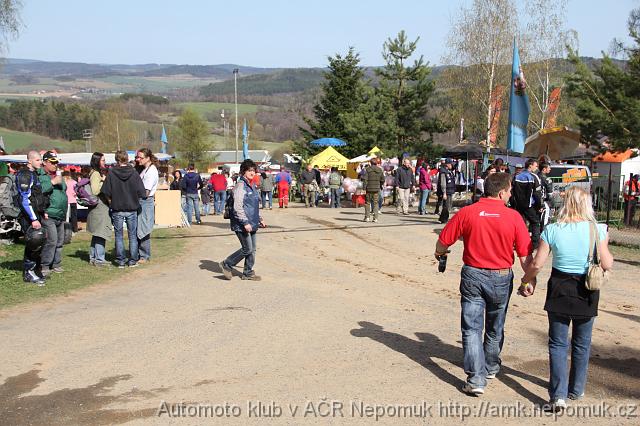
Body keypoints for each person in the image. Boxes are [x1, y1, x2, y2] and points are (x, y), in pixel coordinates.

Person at [435, 172, 533, 396]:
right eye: (509, 191)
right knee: (495, 325)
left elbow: (443, 241)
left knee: (471, 328)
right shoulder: (514, 217)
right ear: (501, 192)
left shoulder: (467, 212)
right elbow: (525, 255)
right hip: (500, 276)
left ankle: (476, 378)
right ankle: (489, 366)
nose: (510, 195)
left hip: (473, 275)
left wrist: (439, 253)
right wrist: (529, 279)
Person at [520, 187, 614, 410]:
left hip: (560, 287)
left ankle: (558, 394)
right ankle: (577, 388)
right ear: (587, 204)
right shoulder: (597, 229)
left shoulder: (552, 230)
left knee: (558, 343)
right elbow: (607, 263)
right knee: (582, 343)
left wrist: (526, 280)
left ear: (565, 204)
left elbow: (537, 263)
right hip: (587, 289)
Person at [220, 159, 266, 281]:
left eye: (253, 170)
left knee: (252, 249)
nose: (252, 173)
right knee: (247, 249)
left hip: (253, 222)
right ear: (243, 171)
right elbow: (237, 207)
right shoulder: (240, 186)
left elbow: (253, 206)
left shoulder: (252, 185)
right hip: (242, 224)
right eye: (249, 170)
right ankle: (227, 264)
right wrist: (245, 222)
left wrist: (259, 218)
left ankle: (248, 272)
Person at [101, 150, 146, 268]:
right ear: (126, 158)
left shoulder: (111, 173)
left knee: (119, 235)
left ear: (116, 159)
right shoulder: (134, 173)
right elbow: (142, 192)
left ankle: (121, 261)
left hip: (117, 208)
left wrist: (111, 201)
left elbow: (105, 191)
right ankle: (132, 260)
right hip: (131, 208)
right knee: (132, 235)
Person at [16, 151, 48, 285]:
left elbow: (36, 197)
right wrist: (34, 218)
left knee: (39, 243)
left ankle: (36, 270)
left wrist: (42, 212)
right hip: (28, 217)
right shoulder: (25, 175)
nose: (40, 162)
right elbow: (24, 199)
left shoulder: (34, 174)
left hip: (36, 214)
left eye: (40, 160)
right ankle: (29, 273)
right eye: (37, 160)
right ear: (29, 161)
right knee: (33, 242)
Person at [39, 151, 68, 277]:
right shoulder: (41, 175)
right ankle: (45, 265)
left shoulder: (57, 175)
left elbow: (64, 189)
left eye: (56, 162)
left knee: (59, 241)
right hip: (49, 214)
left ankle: (56, 263)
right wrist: (52, 182)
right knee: (51, 241)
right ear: (45, 162)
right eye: (52, 162)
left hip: (60, 214)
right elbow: (40, 190)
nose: (55, 165)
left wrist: (59, 180)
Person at [87, 152, 113, 267]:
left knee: (96, 233)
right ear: (97, 161)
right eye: (103, 160)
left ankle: (93, 258)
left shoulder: (94, 172)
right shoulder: (96, 174)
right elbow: (95, 191)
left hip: (97, 207)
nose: (105, 162)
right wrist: (104, 181)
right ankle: (99, 259)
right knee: (101, 233)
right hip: (100, 207)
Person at [511, 159, 543, 248]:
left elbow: (512, 192)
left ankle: (518, 244)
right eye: (535, 166)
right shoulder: (533, 177)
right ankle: (535, 244)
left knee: (520, 225)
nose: (536, 168)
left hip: (518, 206)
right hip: (529, 206)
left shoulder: (516, 176)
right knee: (535, 222)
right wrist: (539, 206)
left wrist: (513, 204)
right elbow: (537, 194)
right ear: (530, 166)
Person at [135, 148, 159, 263]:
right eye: (137, 157)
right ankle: (140, 253)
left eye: (140, 157)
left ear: (148, 158)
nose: (138, 159)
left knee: (144, 228)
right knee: (139, 227)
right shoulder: (145, 169)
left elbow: (146, 192)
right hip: (142, 201)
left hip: (145, 201)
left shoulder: (151, 171)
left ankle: (144, 255)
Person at [362, 158, 385, 223]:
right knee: (375, 203)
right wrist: (380, 185)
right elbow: (383, 179)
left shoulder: (367, 170)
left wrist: (364, 188)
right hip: (376, 189)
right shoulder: (380, 170)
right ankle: (375, 218)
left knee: (367, 203)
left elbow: (365, 180)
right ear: (376, 163)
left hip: (369, 189)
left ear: (370, 163)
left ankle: (367, 217)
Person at [437, 159, 456, 224]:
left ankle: (445, 218)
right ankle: (443, 219)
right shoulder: (443, 171)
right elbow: (443, 183)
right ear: (447, 164)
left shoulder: (449, 171)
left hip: (450, 190)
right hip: (446, 191)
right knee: (446, 206)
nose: (452, 165)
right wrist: (444, 192)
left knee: (448, 206)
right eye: (451, 164)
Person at [538, 162, 554, 230]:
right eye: (549, 168)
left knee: (536, 222)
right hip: (544, 203)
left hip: (534, 201)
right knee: (545, 221)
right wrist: (552, 205)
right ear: (544, 169)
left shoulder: (535, 176)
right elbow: (550, 194)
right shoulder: (547, 179)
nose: (550, 169)